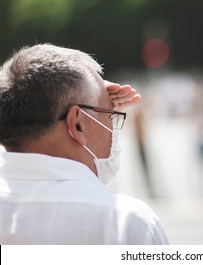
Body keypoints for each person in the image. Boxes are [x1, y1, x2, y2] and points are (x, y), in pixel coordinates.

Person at [0, 43, 169, 244]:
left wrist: (94, 101)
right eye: (110, 115)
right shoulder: (123, 223)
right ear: (77, 124)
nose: (112, 128)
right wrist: (94, 98)